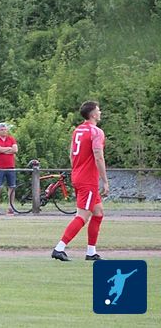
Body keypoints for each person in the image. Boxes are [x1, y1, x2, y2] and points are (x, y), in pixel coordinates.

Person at [52, 100, 109, 262]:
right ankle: (59, 248)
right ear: (93, 114)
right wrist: (105, 181)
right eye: (98, 110)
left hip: (78, 175)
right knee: (82, 216)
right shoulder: (96, 132)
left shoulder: (78, 130)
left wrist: (77, 169)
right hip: (88, 179)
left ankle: (91, 252)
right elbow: (98, 156)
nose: (100, 112)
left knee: (98, 213)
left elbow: (71, 153)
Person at [0, 122, 18, 215]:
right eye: (1, 129)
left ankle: (11, 207)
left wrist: (3, 150)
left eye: (5, 129)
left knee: (12, 187)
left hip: (11, 166)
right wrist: (9, 149)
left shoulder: (11, 138)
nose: (4, 131)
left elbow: (15, 150)